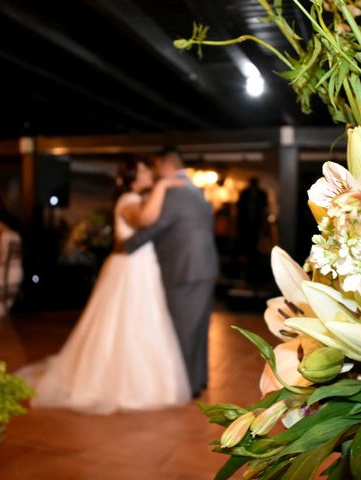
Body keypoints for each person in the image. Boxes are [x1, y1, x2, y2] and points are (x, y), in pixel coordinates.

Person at [21, 159, 190, 413]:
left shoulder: (136, 199)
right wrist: (164, 185)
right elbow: (146, 219)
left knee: (145, 323)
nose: (150, 174)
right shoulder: (129, 201)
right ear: (133, 177)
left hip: (142, 267)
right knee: (126, 324)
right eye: (144, 171)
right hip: (129, 271)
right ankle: (121, 384)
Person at [124, 147, 219, 397]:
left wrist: (127, 246)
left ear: (164, 164)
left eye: (155, 167)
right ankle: (198, 380)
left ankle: (184, 386)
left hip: (184, 268)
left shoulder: (175, 190)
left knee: (183, 330)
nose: (155, 173)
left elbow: (157, 225)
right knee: (197, 329)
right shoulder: (196, 190)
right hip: (203, 266)